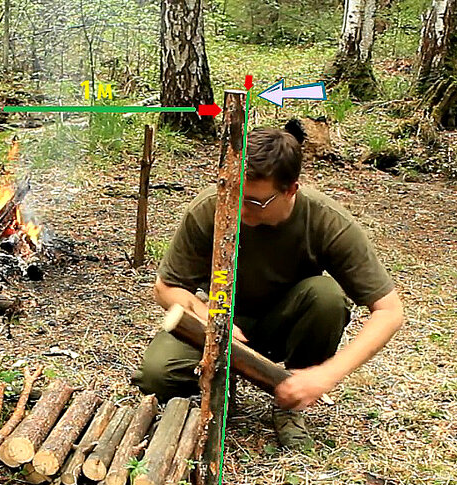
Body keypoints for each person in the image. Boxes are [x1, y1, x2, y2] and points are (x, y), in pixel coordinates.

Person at [132, 119, 404, 450]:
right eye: (235, 193)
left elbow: (389, 311)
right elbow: (165, 288)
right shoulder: (212, 207)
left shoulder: (326, 221)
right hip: (224, 318)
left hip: (285, 320)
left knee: (327, 297)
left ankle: (289, 402)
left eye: (255, 201)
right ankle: (221, 380)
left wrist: (324, 376)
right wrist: (211, 320)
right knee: (156, 375)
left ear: (291, 189)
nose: (240, 207)